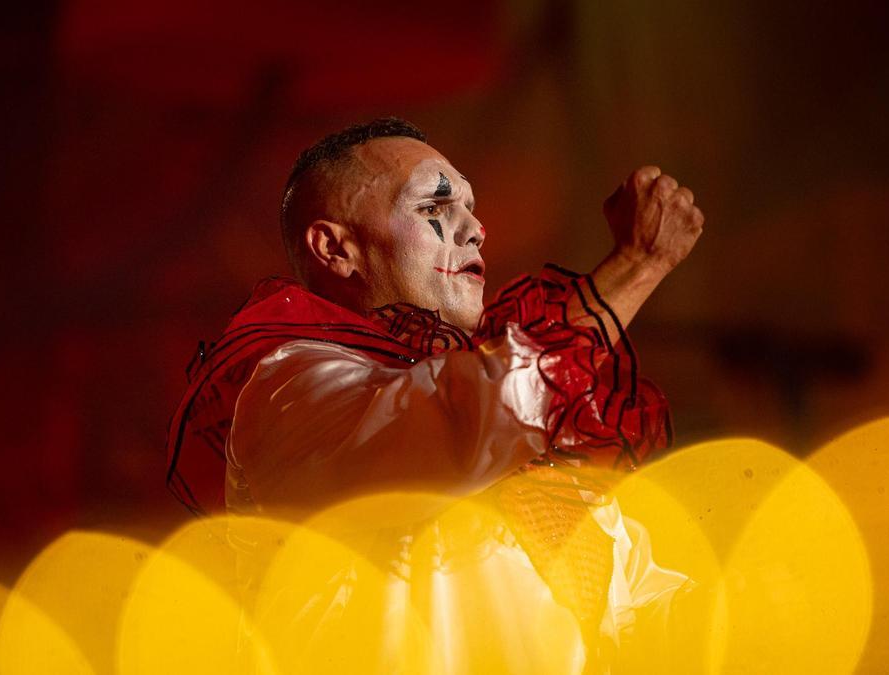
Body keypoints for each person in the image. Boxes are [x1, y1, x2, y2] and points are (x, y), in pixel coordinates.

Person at [166, 118, 704, 673]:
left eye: (470, 207)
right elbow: (474, 414)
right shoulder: (293, 389)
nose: (476, 229)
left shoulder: (521, 424)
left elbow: (644, 608)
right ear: (335, 247)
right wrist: (635, 266)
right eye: (435, 208)